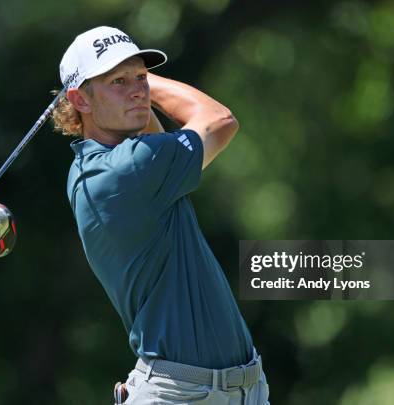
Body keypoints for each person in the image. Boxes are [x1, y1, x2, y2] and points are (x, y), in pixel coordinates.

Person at [53, 26, 270, 404]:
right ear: (80, 99)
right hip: (182, 395)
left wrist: (130, 84)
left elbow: (151, 135)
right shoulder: (128, 170)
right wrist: (150, 80)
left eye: (140, 77)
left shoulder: (98, 167)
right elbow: (219, 120)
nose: (139, 90)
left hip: (239, 389)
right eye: (118, 81)